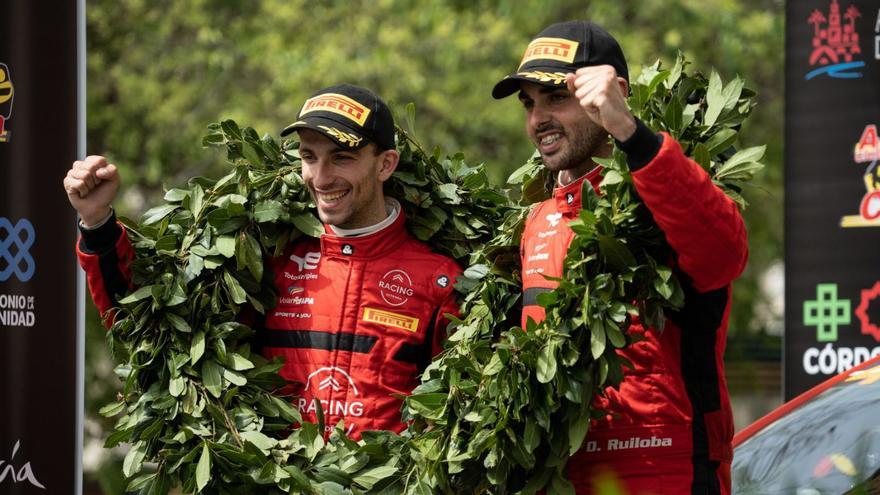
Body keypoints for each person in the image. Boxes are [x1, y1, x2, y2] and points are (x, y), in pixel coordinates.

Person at [64, 84, 462, 439]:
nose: (321, 178)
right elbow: (151, 328)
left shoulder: (438, 279)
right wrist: (97, 222)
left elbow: (454, 418)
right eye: (309, 156)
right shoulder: (261, 257)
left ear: (385, 164)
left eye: (341, 158)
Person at [492, 21, 748, 494]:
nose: (537, 119)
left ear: (613, 93)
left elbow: (725, 253)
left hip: (662, 473)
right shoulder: (537, 222)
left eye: (556, 98)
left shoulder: (667, 189)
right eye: (529, 104)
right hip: (561, 477)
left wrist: (629, 132)